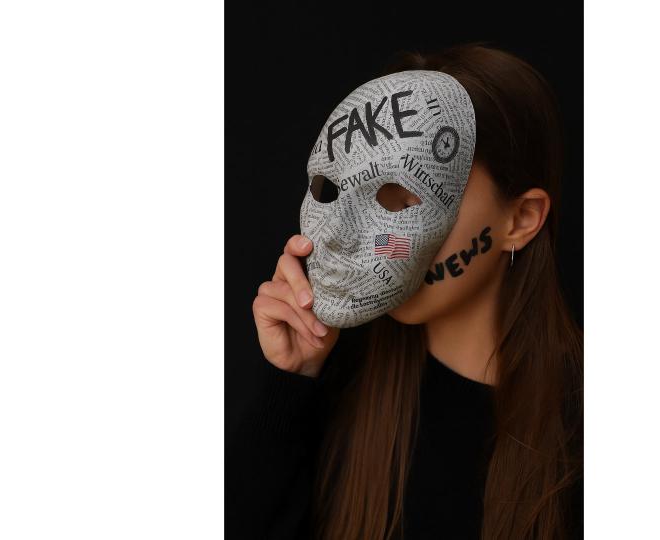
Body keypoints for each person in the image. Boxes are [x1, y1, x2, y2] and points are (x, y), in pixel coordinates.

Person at [238, 43, 583, 539]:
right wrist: (290, 383)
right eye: (331, 189)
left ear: (521, 219)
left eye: (399, 199)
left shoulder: (579, 432)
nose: (337, 235)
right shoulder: (342, 382)